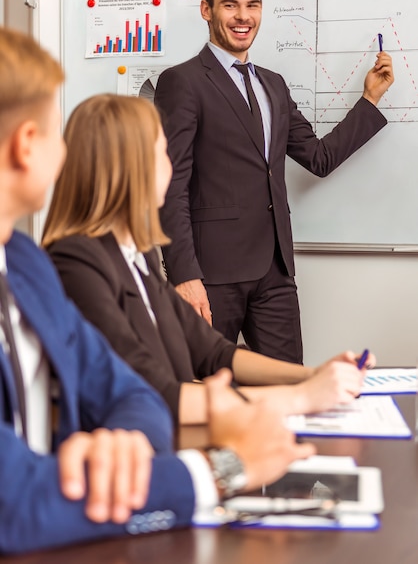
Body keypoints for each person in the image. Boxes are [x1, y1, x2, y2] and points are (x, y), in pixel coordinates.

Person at [0, 26, 317, 555]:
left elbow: (126, 390)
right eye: (56, 132)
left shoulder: (24, 263)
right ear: (26, 146)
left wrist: (121, 444)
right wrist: (225, 468)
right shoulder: (69, 261)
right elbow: (13, 503)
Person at [42, 93, 371, 425]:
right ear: (130, 167)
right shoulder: (76, 262)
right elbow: (156, 393)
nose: (172, 166)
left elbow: (213, 352)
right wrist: (301, 397)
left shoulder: (137, 256)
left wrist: (312, 375)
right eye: (162, 153)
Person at [154, 0, 395, 364]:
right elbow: (169, 184)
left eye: (253, 5)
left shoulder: (273, 84)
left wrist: (369, 100)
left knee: (289, 387)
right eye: (230, 5)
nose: (243, 16)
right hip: (210, 276)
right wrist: (184, 275)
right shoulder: (183, 82)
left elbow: (318, 157)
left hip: (275, 272)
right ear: (207, 10)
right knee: (208, 396)